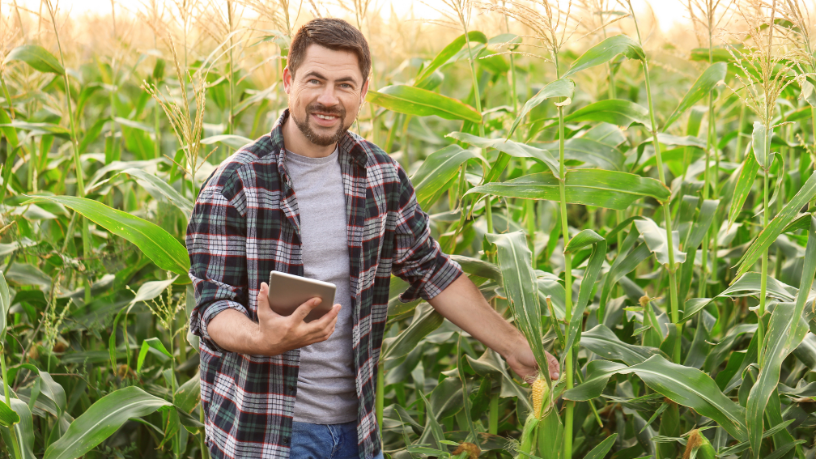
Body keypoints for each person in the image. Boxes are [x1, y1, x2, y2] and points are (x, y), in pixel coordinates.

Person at [186, 17, 559, 459]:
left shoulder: (379, 175)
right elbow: (212, 305)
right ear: (288, 81)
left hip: (357, 432)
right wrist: (260, 338)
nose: (329, 98)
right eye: (315, 80)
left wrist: (515, 344)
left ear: (364, 92)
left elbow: (432, 271)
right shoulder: (236, 183)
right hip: (265, 434)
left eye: (345, 84)